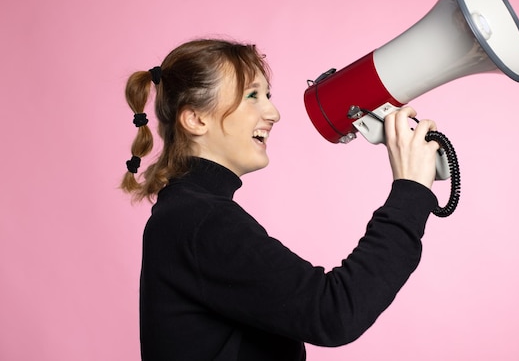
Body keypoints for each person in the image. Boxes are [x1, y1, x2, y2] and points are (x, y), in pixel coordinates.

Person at [121, 38, 441, 360]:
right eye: (252, 96)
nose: (273, 113)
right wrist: (410, 192)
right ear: (195, 119)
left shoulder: (186, 212)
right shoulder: (200, 220)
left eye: (267, 96)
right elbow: (333, 312)